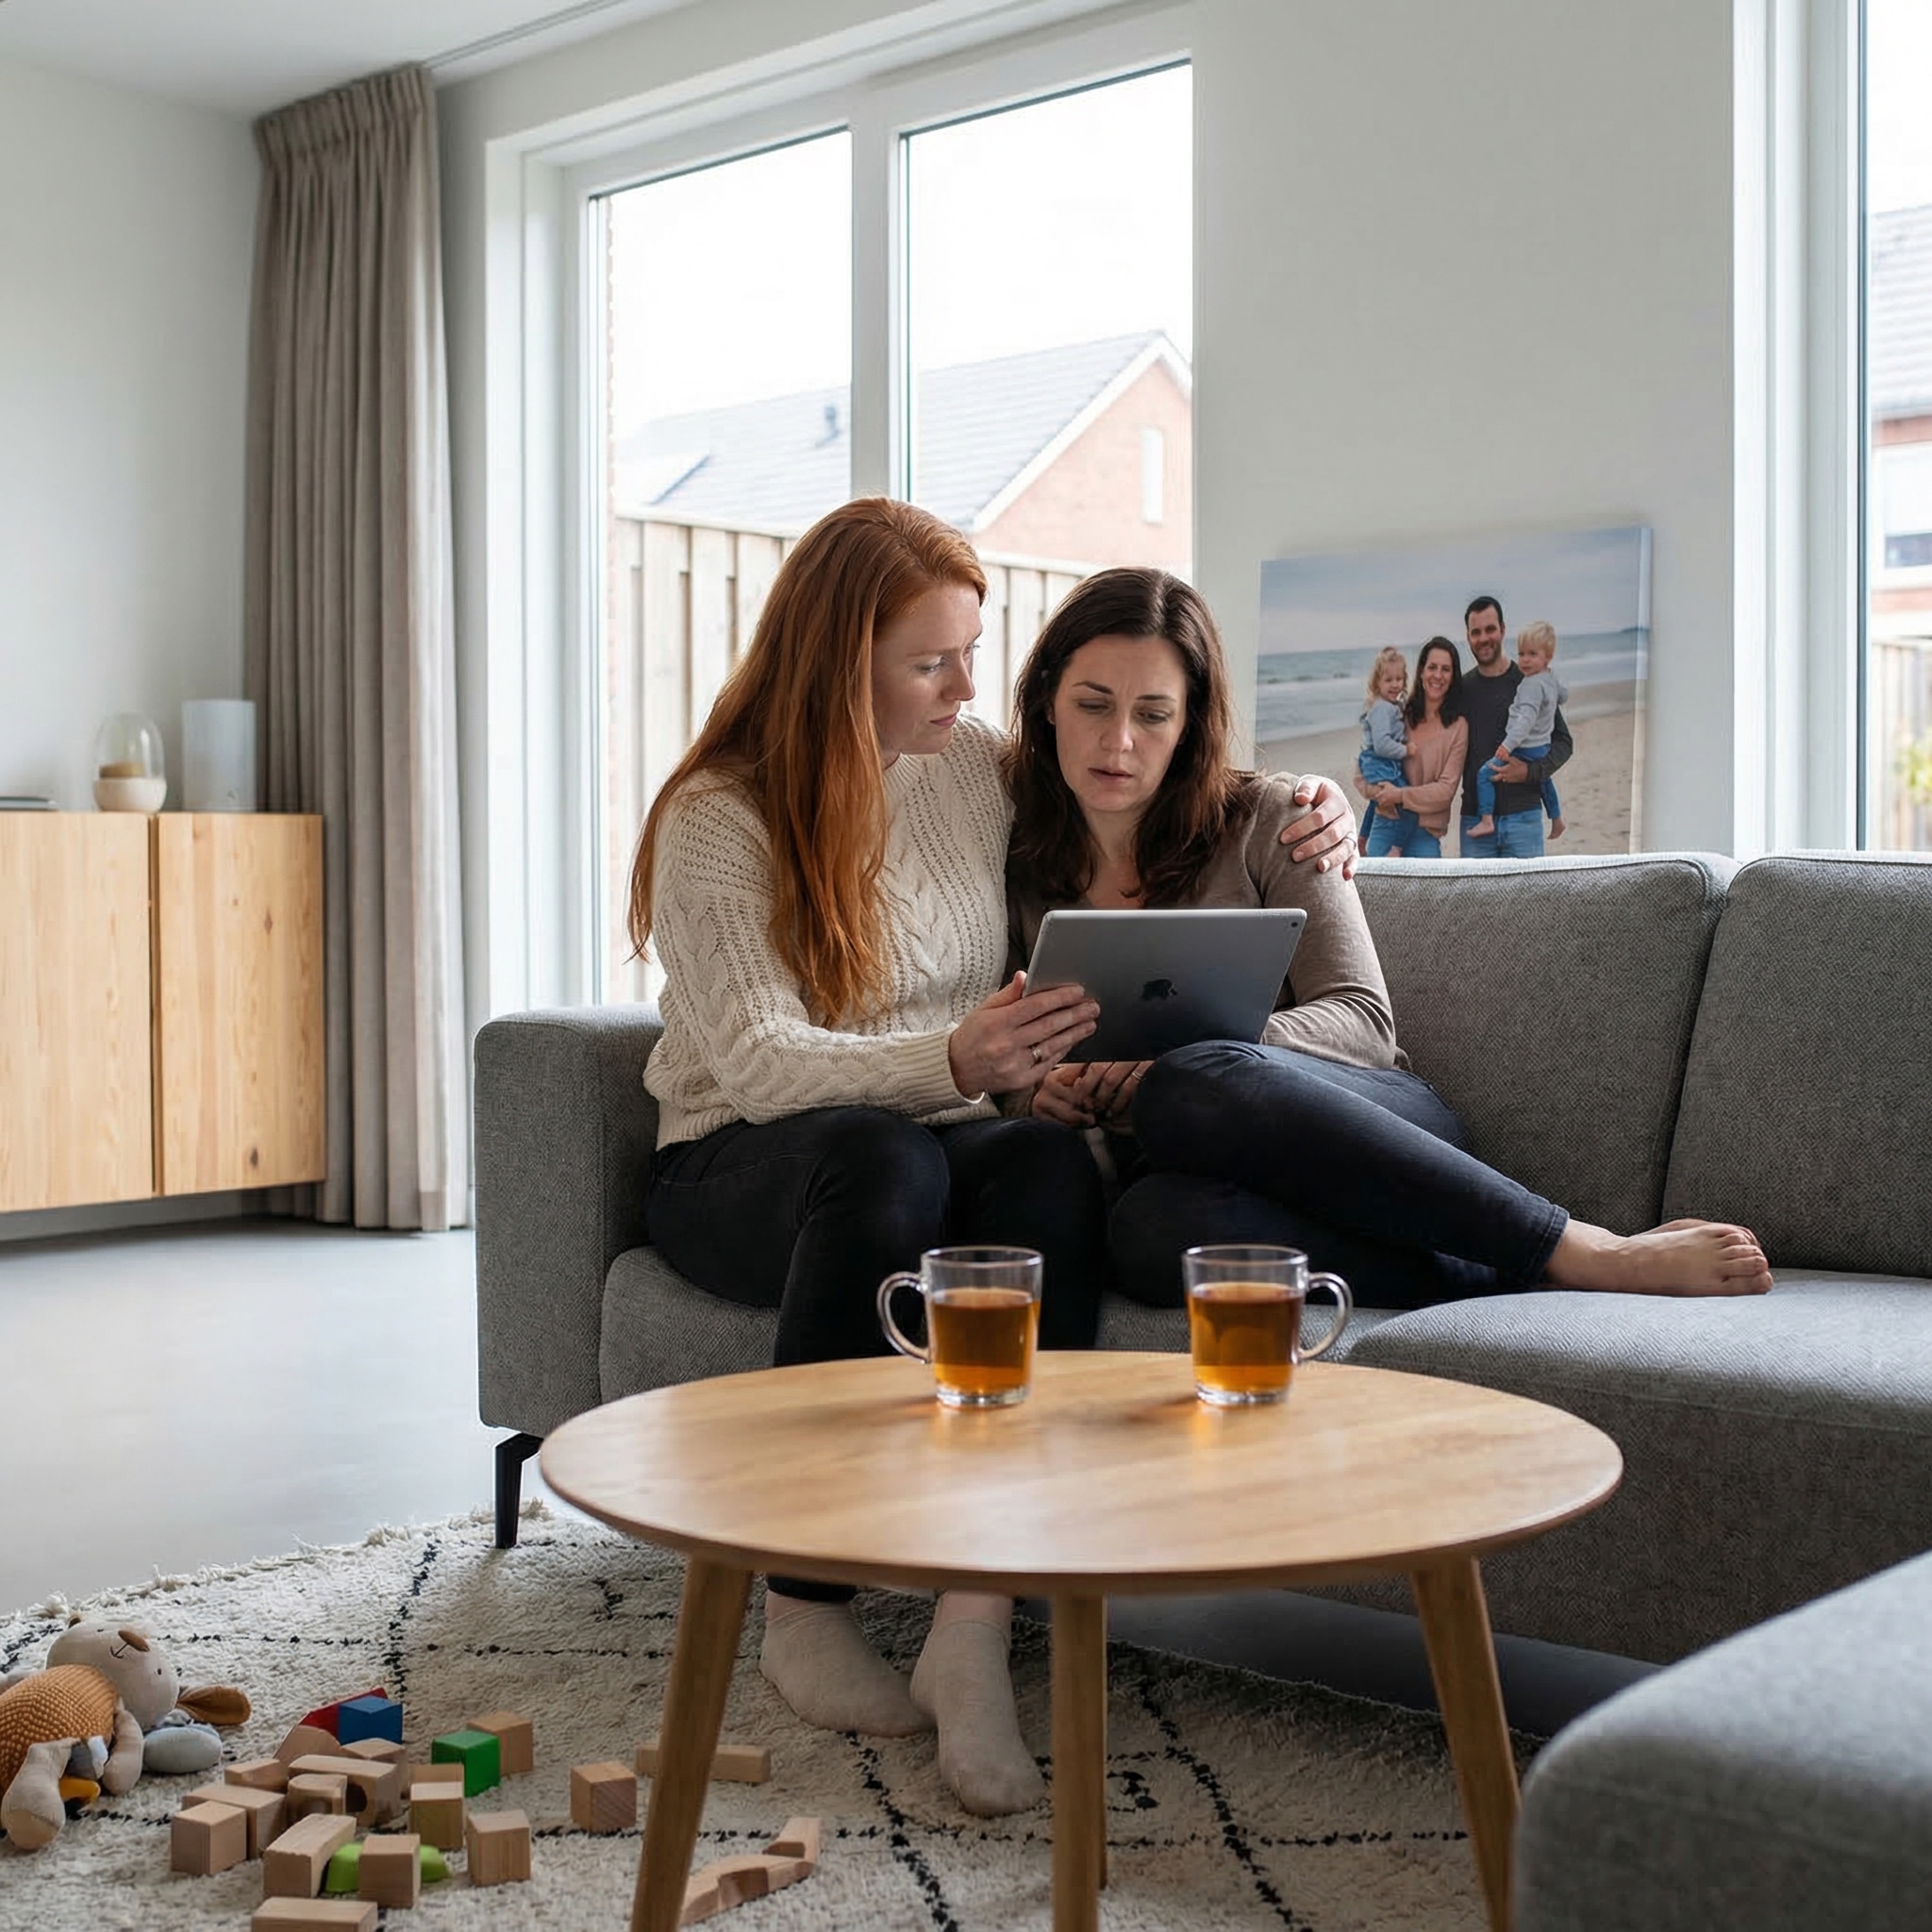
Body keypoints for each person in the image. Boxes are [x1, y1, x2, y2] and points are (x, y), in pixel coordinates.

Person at [629, 500, 1354, 1820]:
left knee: (1045, 1172)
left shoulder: (969, 770)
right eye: (932, 662)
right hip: (734, 1164)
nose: (972, 690)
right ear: (836, 659)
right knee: (887, 1164)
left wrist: (1318, 801)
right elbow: (759, 1067)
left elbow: (1134, 749)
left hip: (928, 1136)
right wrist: (960, 1062)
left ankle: (975, 1623)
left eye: (973, 654)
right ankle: (801, 1604)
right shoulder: (719, 817)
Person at [1004, 565, 1774, 1312]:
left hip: (1369, 1120)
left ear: (1190, 721)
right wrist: (1036, 1089)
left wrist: (1186, 1057)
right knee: (1146, 1234)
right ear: (1047, 702)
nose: (1119, 743)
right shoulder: (1010, 862)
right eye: (1094, 705)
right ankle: (1492, 1271)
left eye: (1152, 713)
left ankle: (1579, 1247)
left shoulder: (1280, 820)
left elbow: (1365, 1023)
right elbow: (996, 1045)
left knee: (1188, 1083)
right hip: (1191, 1174)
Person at [1457, 594, 1573, 858]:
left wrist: (1530, 771)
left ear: (1503, 630)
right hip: (1474, 820)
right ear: (1468, 637)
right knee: (1474, 901)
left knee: (1529, 900)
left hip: (1525, 818)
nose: (1484, 637)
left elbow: (1563, 742)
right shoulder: (1462, 689)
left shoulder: (1532, 681)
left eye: (1490, 629)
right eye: (1476, 632)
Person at [1357, 637, 1468, 859]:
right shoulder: (1399, 714)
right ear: (1421, 672)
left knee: (1426, 894)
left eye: (1446, 669)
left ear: (1453, 676)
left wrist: (1399, 795)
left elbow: (1445, 792)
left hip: (1425, 833)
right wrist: (1366, 828)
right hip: (1387, 821)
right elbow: (1365, 773)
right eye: (1432, 667)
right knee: (1376, 891)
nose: (1438, 675)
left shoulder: (1458, 727)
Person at [1357, 646, 1414, 855]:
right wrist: (1406, 750)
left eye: (1399, 679)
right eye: (1388, 680)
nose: (1395, 685)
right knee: (1405, 800)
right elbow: (1382, 745)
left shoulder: (1392, 705)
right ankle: (1397, 847)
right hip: (1378, 762)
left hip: (1375, 761)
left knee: (1376, 802)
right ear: (1377, 683)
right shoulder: (1381, 708)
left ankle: (1362, 838)